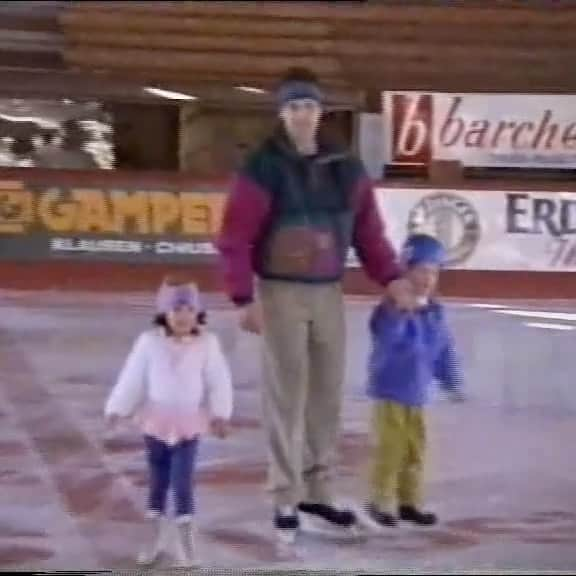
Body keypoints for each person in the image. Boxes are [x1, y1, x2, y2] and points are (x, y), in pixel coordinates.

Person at [217, 67, 415, 545]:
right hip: (280, 292)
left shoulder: (344, 165)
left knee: (326, 393)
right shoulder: (264, 165)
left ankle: (317, 490)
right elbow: (235, 235)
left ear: (319, 111)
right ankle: (285, 495)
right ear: (282, 112)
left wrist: (391, 277)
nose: (303, 115)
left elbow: (369, 231)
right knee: (287, 394)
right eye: (294, 107)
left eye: (309, 106)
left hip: (328, 291)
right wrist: (243, 297)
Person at [104, 279, 233, 567]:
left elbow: (218, 380)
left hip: (188, 425)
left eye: (189, 308)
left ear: (198, 312)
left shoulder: (208, 344)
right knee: (158, 482)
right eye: (176, 309)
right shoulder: (149, 342)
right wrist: (117, 408)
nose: (183, 315)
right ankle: (153, 538)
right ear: (164, 312)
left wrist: (220, 414)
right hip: (156, 423)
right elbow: (132, 378)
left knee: (182, 482)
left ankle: (186, 541)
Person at [366, 234, 465, 528]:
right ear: (405, 271)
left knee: (416, 451)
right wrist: (400, 309)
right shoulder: (389, 309)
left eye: (433, 272)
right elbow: (387, 336)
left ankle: (409, 502)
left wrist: (451, 380)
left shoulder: (435, 312)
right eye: (420, 270)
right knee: (391, 449)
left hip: (420, 395)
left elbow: (444, 349)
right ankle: (380, 501)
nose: (427, 278)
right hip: (391, 393)